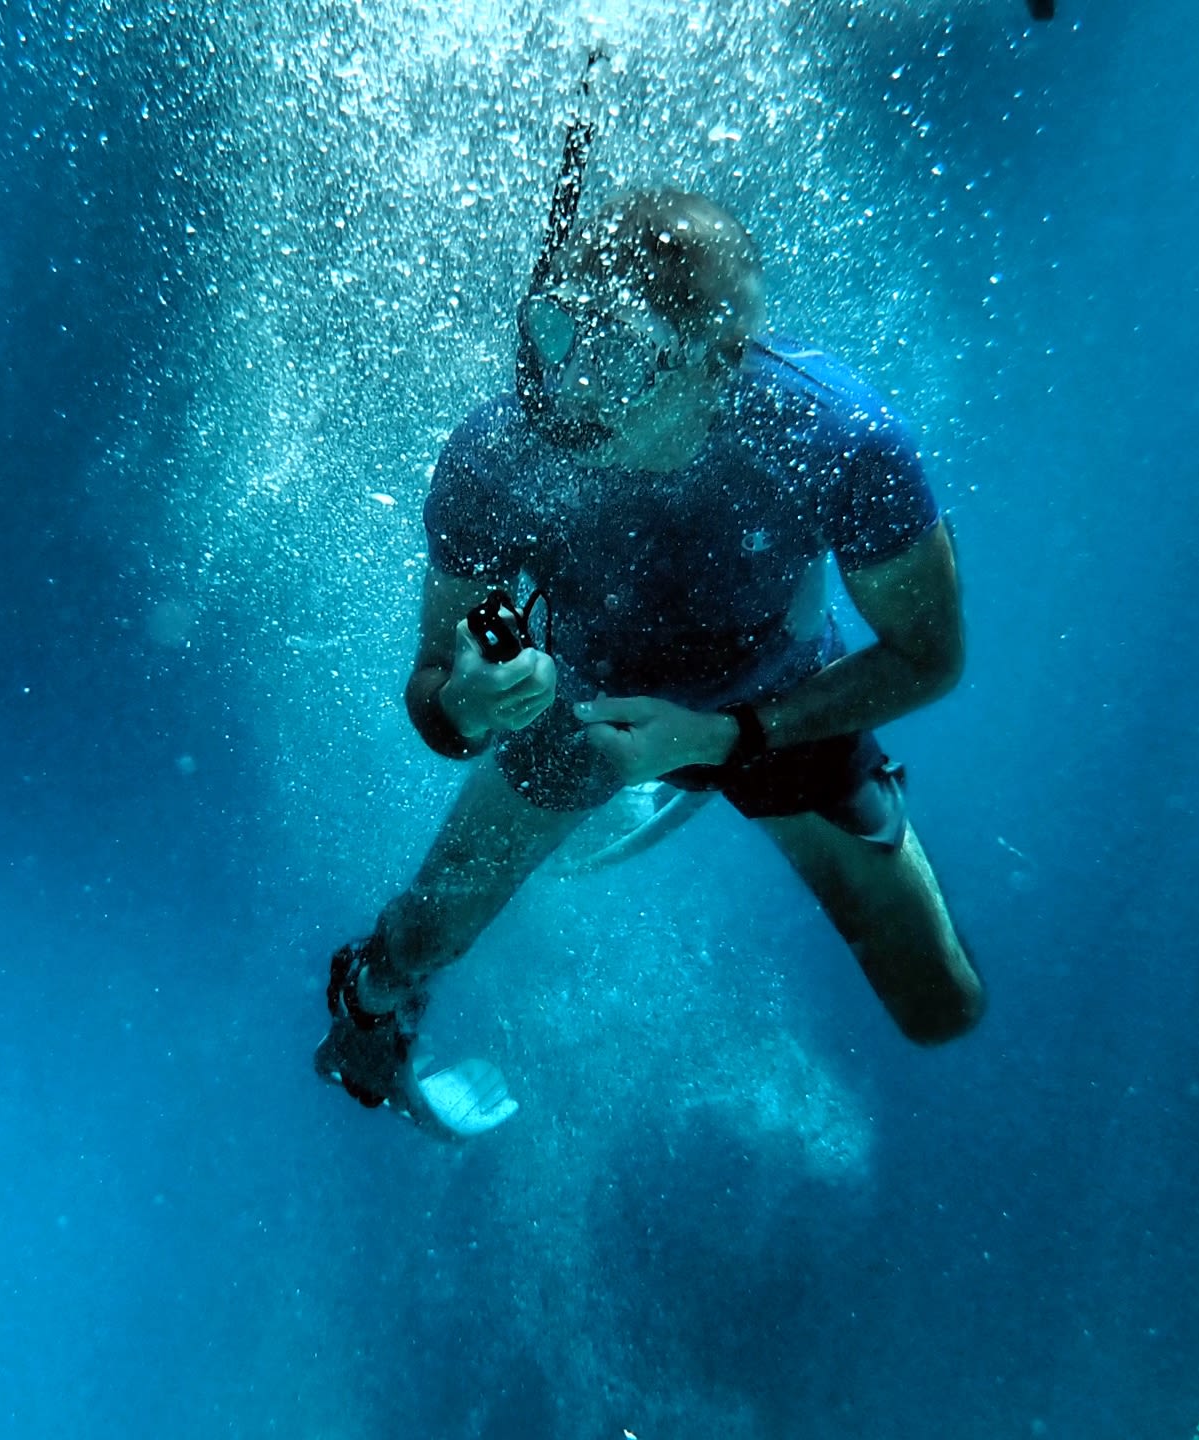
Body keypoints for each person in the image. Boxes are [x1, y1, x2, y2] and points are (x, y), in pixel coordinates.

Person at [315, 187, 984, 1127]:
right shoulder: (496, 456)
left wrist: (725, 737)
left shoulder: (835, 439)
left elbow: (930, 658)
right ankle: (371, 1000)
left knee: (941, 1006)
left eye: (622, 353)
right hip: (578, 703)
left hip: (777, 698)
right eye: (559, 332)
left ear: (718, 365)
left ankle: (679, 780)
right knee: (419, 937)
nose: (573, 387)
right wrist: (467, 702)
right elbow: (433, 697)